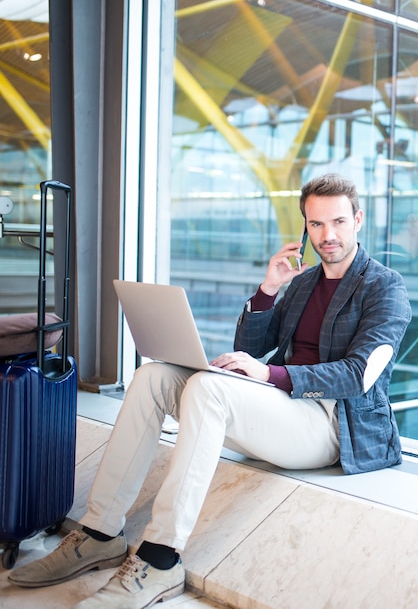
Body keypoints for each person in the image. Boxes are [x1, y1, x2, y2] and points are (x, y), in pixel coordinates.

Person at [8, 173, 411, 608]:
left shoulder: (385, 286)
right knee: (153, 377)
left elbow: (359, 376)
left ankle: (161, 560)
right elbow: (251, 349)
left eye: (337, 223)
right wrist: (268, 289)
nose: (327, 235)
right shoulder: (302, 283)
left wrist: (269, 376)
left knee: (208, 390)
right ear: (305, 227)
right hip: (284, 410)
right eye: (316, 225)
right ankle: (100, 533)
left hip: (333, 425)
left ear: (358, 219)